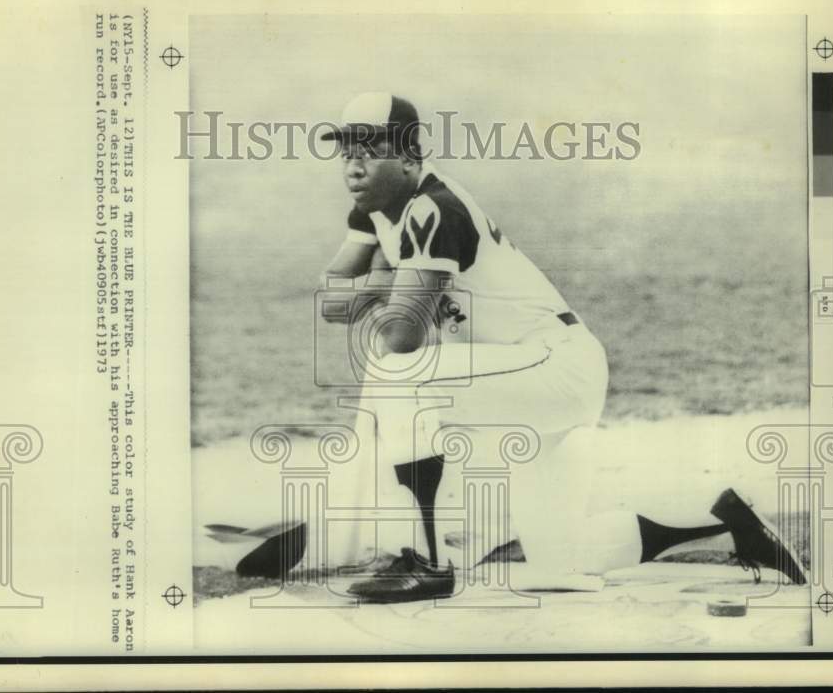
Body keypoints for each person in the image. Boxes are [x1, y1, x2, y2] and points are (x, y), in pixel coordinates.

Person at [317, 92, 806, 603]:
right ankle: (726, 521)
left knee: (398, 373)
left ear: (410, 156)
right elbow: (330, 302)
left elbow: (400, 337)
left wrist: (376, 282)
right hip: (517, 376)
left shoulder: (433, 209)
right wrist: (383, 279)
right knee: (563, 561)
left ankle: (422, 558)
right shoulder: (375, 212)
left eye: (370, 149)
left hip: (554, 365)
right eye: (346, 151)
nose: (354, 165)